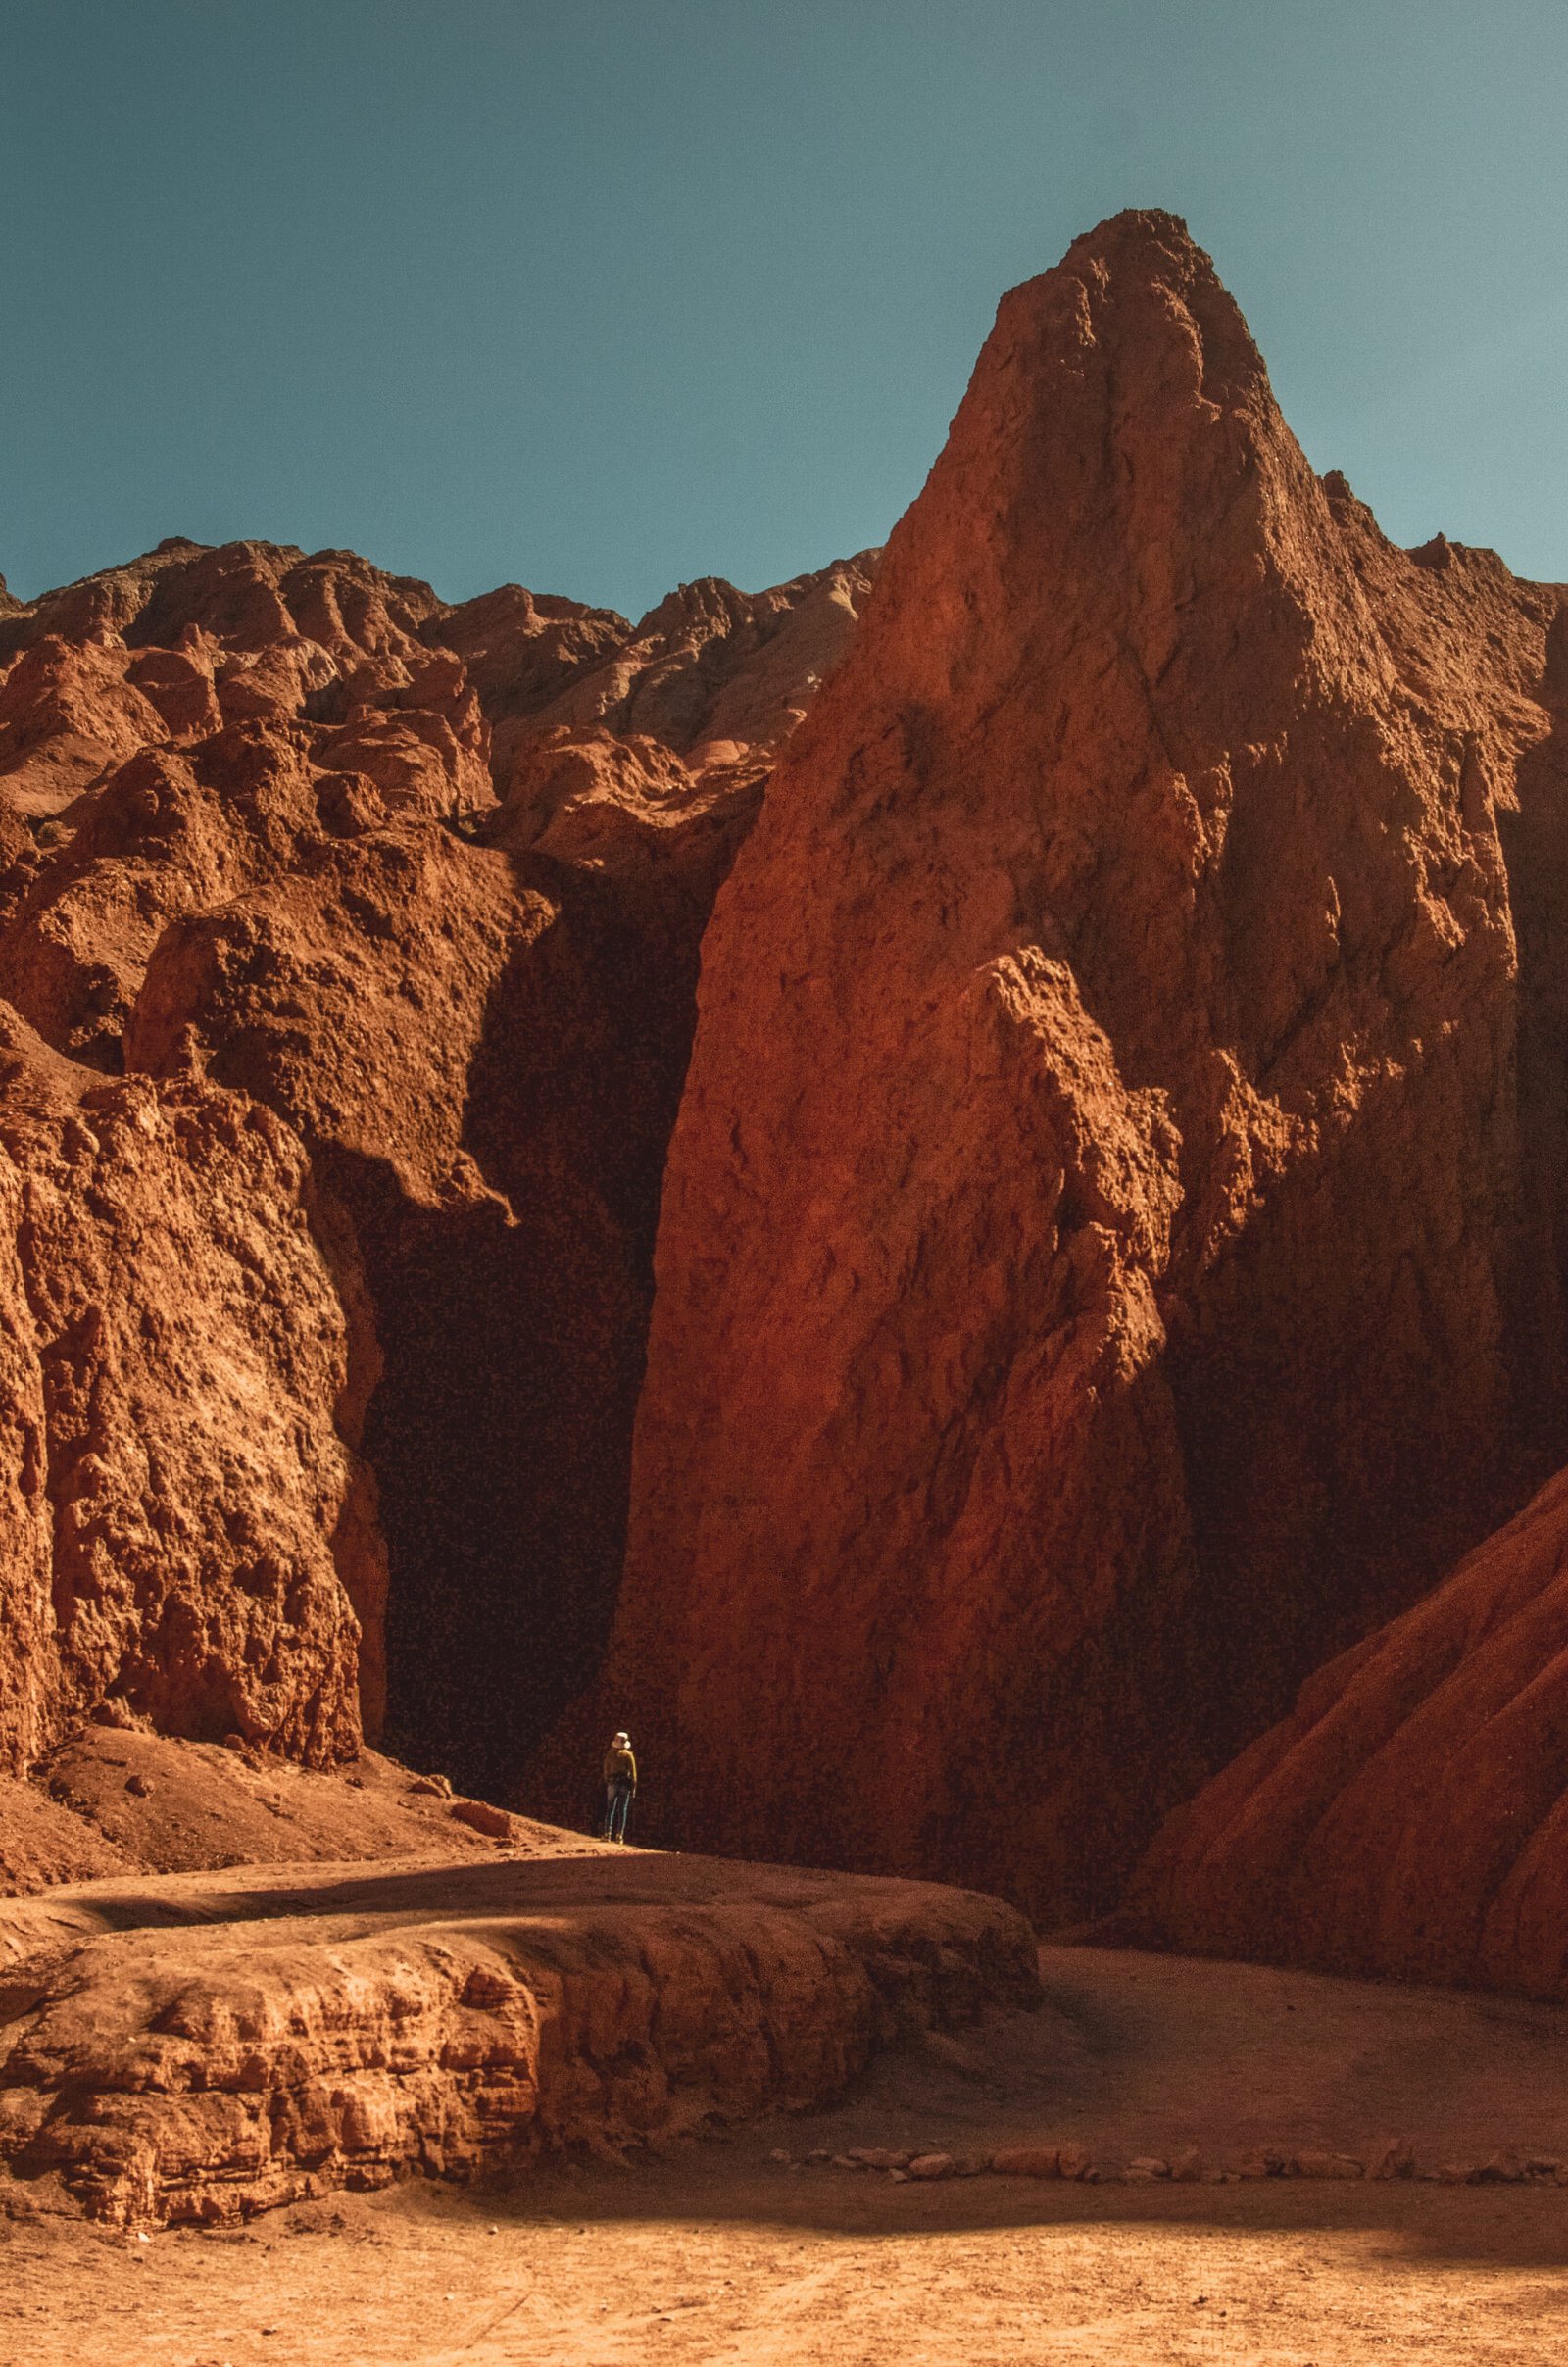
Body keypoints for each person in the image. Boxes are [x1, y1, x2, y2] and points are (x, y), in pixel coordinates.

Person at [601, 1731, 637, 1844]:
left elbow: (606, 1770)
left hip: (612, 1783)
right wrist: (633, 1787)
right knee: (622, 1810)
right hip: (625, 1784)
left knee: (610, 1809)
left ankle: (607, 1834)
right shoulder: (628, 1755)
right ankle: (619, 1836)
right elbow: (633, 1773)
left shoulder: (610, 1754)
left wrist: (608, 1781)